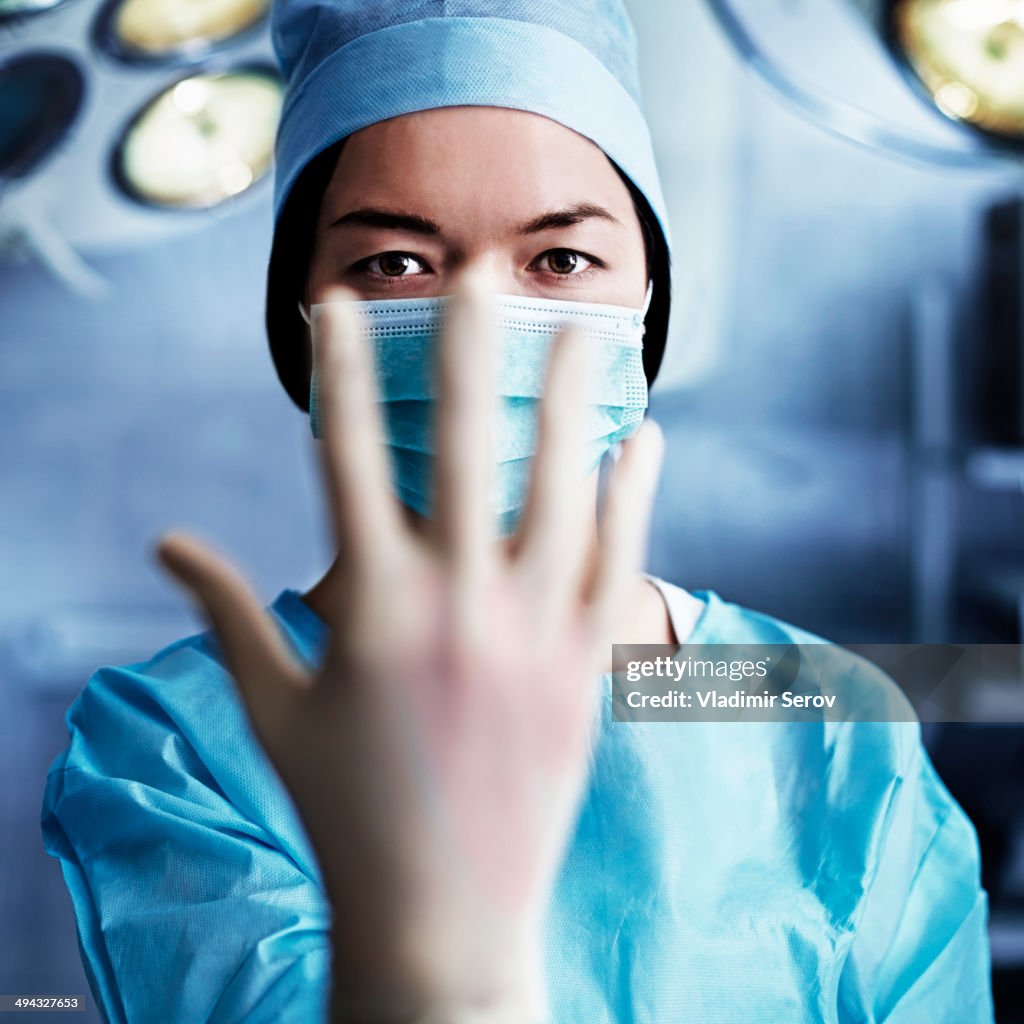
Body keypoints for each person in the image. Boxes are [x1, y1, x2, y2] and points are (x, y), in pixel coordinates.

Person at [41, 2, 994, 1022]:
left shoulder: (813, 710)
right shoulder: (177, 744)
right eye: (395, 263)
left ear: (646, 302)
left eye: (559, 260)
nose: (477, 325)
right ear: (301, 318)